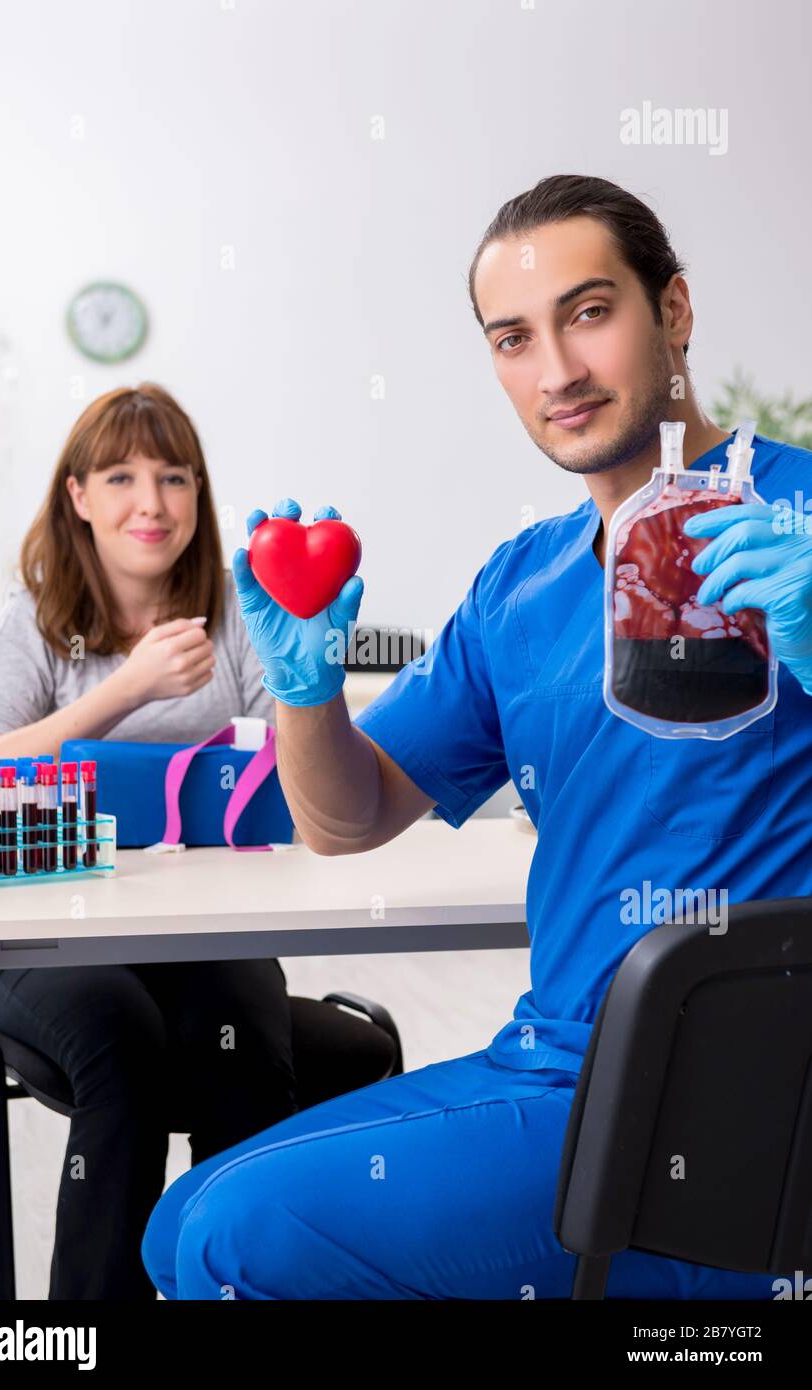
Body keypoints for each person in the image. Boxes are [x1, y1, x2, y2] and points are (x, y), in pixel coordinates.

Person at [142, 175, 812, 1300]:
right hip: (558, 1067)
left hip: (735, 1106)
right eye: (515, 337)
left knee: (235, 1242)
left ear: (676, 310)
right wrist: (305, 688)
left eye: (590, 312)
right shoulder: (522, 585)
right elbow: (347, 818)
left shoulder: (796, 524)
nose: (557, 370)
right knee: (178, 1226)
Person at [0, 383, 298, 1300]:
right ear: (77, 495)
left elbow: (292, 767)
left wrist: (309, 651)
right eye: (121, 477)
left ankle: (222, 1285)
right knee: (126, 1052)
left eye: (174, 477)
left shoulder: (234, 610)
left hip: (203, 926)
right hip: (48, 933)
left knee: (248, 1055)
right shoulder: (34, 619)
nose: (152, 503)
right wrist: (124, 690)